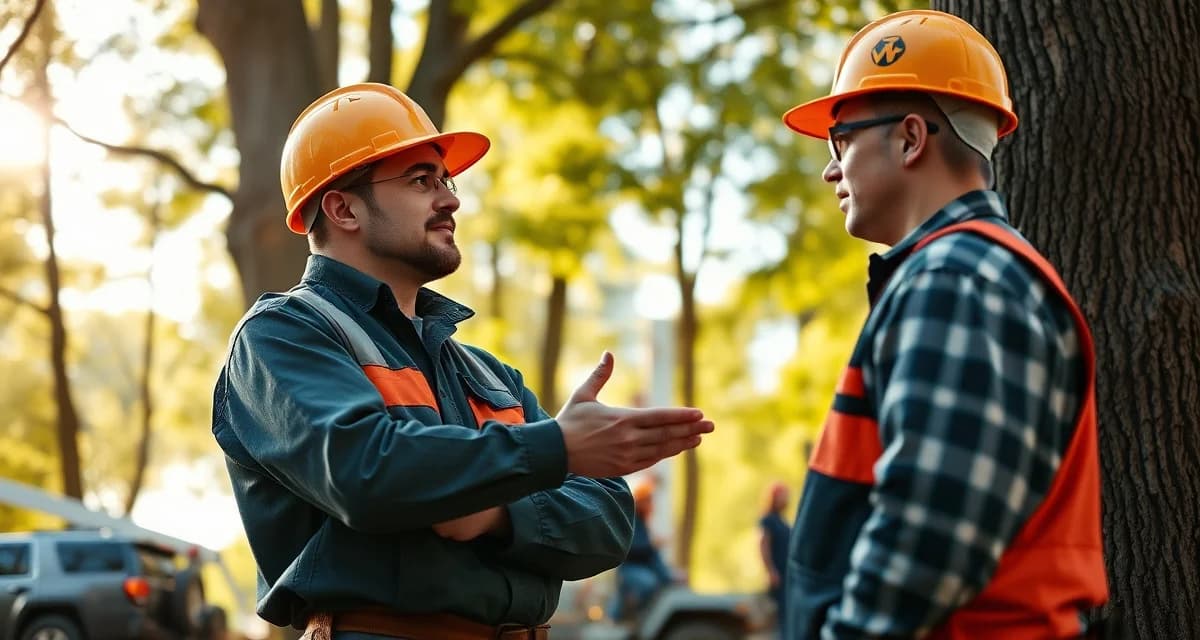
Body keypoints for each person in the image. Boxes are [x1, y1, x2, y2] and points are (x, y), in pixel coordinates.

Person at [211, 83, 714, 640]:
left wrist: (496, 514)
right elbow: (365, 470)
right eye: (420, 180)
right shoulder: (281, 336)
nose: (450, 200)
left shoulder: (489, 375)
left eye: (445, 181)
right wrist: (555, 449)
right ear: (343, 208)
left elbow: (608, 518)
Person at [779, 10, 1107, 639]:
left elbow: (926, 541)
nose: (830, 170)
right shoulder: (967, 275)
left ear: (910, 139)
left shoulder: (958, 280)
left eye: (840, 141)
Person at [608, 478, 676, 621]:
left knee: (660, 580)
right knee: (648, 584)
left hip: (642, 567)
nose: (652, 504)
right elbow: (630, 549)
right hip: (629, 568)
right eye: (648, 500)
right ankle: (637, 616)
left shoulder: (643, 521)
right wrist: (653, 545)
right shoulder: (631, 520)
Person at [758, 481, 790, 631]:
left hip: (787, 574)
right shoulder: (768, 520)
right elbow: (763, 545)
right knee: (778, 613)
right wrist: (770, 571)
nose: (786, 499)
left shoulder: (782, 521)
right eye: (782, 496)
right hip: (777, 574)